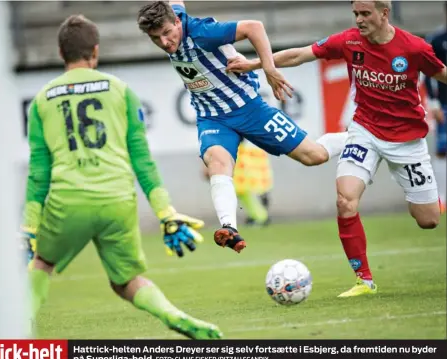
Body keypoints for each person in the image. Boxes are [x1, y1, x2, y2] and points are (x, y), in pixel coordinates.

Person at [227, 0, 447, 297]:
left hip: (407, 143)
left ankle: (342, 143)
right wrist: (256, 63)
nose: (358, 19)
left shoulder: (414, 48)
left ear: (384, 13)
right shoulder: (349, 41)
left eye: (365, 13)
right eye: (355, 13)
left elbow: (441, 73)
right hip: (365, 131)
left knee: (428, 220)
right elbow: (301, 54)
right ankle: (364, 281)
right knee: (345, 201)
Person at [21, 14, 222, 339]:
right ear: (95, 51)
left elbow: (38, 173)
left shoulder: (42, 100)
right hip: (117, 200)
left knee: (42, 262)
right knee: (125, 281)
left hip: (67, 200)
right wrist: (165, 214)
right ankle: (172, 314)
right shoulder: (121, 91)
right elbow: (142, 162)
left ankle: (17, 330)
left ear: (61, 53)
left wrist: (29, 228)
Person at [137, 0, 348, 253]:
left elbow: (254, 27)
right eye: (155, 38)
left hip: (249, 109)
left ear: (177, 22)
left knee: (314, 156)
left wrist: (268, 68)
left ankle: (360, 137)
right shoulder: (172, 16)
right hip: (212, 117)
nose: (164, 43)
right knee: (217, 162)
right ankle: (229, 227)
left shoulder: (203, 34)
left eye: (167, 33)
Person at [202, 139, 273, 226]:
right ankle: (256, 215)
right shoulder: (247, 150)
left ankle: (260, 217)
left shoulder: (236, 150)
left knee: (245, 198)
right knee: (246, 198)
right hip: (244, 180)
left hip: (241, 180)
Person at [424, 2, 447, 213]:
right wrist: (434, 102)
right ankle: (441, 198)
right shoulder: (437, 40)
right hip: (445, 104)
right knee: (442, 151)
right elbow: (427, 72)